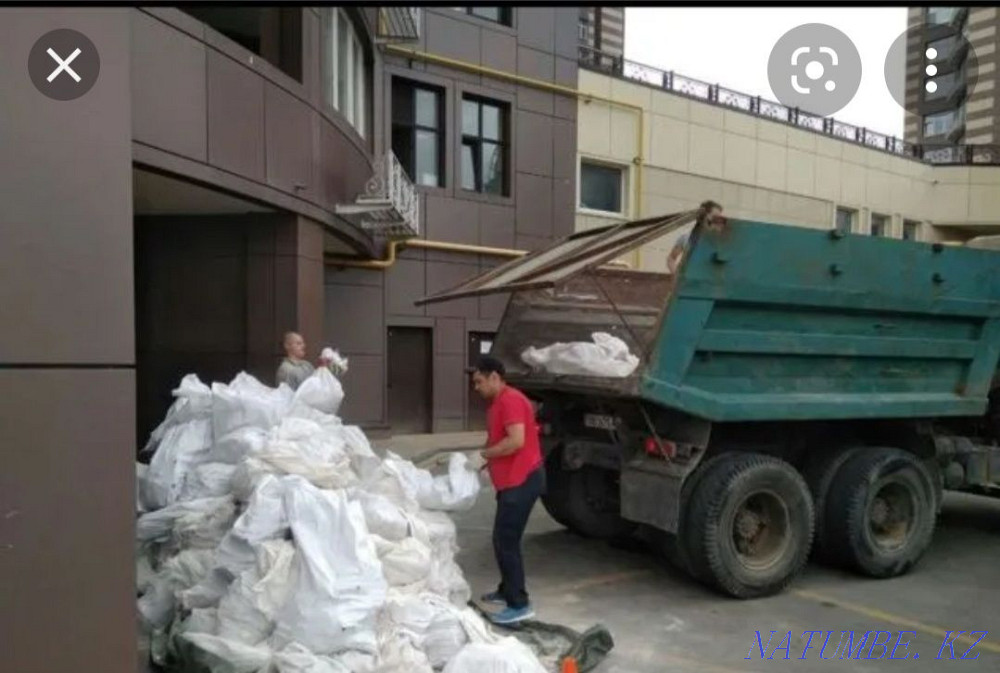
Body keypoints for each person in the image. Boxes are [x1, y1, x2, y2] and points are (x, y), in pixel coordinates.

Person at [471, 355, 546, 625]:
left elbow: (516, 441)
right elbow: (497, 438)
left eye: (479, 381)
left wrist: (484, 455)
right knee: (501, 538)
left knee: (506, 541)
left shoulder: (511, 400)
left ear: (494, 377)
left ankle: (519, 603)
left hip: (522, 480)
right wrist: (484, 460)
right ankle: (506, 590)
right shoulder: (496, 404)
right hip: (511, 481)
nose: (476, 387)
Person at [667, 199, 724, 275]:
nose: (717, 220)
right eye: (715, 216)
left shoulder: (720, 240)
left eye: (719, 218)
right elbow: (671, 258)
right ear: (703, 216)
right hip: (689, 282)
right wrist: (677, 275)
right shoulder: (687, 237)